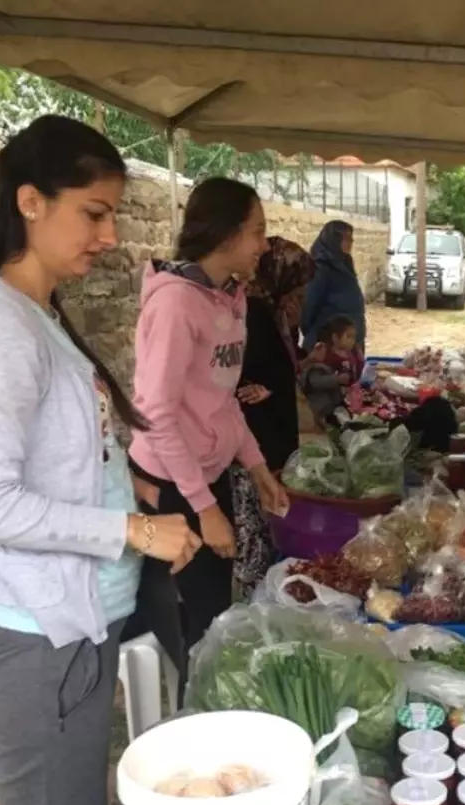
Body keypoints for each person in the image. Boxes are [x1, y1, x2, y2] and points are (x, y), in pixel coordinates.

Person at [0, 115, 200, 805]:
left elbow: (53, 456)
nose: (109, 236)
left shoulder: (35, 314)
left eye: (113, 214)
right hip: (30, 640)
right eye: (95, 212)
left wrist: (122, 484)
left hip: (67, 633)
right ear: (31, 202)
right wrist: (132, 528)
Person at [129, 177, 288, 687]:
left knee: (215, 614)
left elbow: (221, 400)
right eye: (257, 232)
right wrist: (203, 508)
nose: (264, 245)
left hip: (206, 478)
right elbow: (157, 414)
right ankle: (186, 719)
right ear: (224, 235)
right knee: (189, 625)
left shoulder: (230, 297)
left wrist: (257, 465)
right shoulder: (176, 304)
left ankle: (205, 705)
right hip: (171, 486)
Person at [231, 236, 315, 598]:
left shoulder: (275, 312)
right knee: (255, 522)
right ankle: (252, 602)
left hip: (275, 430)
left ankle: (266, 592)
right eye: (297, 283)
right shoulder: (248, 311)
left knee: (270, 517)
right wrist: (257, 386)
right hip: (255, 435)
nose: (301, 292)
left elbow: (283, 366)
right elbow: (236, 372)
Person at [302, 220, 365, 350]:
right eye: (346, 238)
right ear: (333, 240)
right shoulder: (320, 268)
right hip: (330, 345)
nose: (351, 242)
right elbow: (309, 307)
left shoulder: (345, 264)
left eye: (351, 238)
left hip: (349, 343)